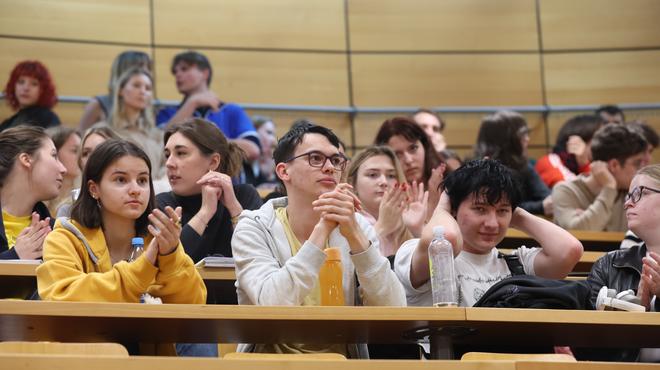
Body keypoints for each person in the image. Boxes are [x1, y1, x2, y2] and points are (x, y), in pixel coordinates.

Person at [231, 122, 406, 357]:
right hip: (270, 362)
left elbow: (394, 310)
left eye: (336, 161)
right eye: (315, 158)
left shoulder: (357, 227)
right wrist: (322, 228)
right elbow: (272, 303)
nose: (329, 168)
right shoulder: (253, 227)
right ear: (284, 171)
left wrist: (356, 237)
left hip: (342, 363)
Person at [36, 139, 207, 355]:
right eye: (121, 180)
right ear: (94, 189)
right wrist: (140, 270)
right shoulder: (64, 237)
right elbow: (61, 298)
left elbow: (193, 306)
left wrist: (171, 256)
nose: (135, 190)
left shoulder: (158, 240)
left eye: (143, 180)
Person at [395, 159, 583, 307]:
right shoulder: (415, 251)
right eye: (480, 209)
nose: (492, 224)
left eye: (502, 211)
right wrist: (443, 207)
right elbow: (447, 240)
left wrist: (515, 213)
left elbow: (569, 250)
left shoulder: (517, 264)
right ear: (454, 207)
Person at [583, 164, 660, 362]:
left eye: (639, 193)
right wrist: (636, 309)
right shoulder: (609, 265)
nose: (627, 203)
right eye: (628, 195)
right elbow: (589, 346)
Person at [158, 118, 262, 262]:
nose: (169, 163)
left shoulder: (244, 195)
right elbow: (172, 262)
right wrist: (205, 212)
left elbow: (261, 256)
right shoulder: (163, 204)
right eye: (167, 155)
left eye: (181, 153)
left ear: (213, 162)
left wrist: (234, 209)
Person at [156, 51, 260, 161]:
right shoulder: (167, 113)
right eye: (175, 71)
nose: (177, 74)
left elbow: (252, 150)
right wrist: (193, 102)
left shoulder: (231, 111)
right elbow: (159, 146)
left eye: (184, 69)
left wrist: (206, 141)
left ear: (205, 73)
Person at [552, 124, 647, 231]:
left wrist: (589, 218)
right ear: (614, 165)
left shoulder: (634, 194)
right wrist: (609, 188)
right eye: (637, 163)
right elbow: (580, 234)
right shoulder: (566, 190)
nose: (642, 169)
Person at [346, 146, 427, 259]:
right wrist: (381, 228)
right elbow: (350, 272)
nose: (384, 182)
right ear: (352, 183)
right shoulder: (345, 222)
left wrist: (417, 230)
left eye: (391, 176)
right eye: (373, 175)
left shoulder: (407, 220)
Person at [0, 126, 65, 260]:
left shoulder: (57, 230)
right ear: (26, 159)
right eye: (54, 156)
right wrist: (14, 257)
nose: (63, 169)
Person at [97, 67, 167, 189]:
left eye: (148, 88)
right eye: (136, 85)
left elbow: (166, 168)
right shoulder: (102, 131)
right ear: (120, 90)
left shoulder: (158, 135)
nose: (143, 91)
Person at [474, 110, 552, 216]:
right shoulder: (478, 169)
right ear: (506, 139)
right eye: (522, 135)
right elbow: (497, 206)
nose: (527, 139)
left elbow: (546, 196)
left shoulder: (523, 165)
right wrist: (540, 207)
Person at [374, 117, 445, 220]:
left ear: (425, 146)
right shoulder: (382, 195)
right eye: (397, 154)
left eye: (413, 148)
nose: (408, 160)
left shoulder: (450, 184)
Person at [78, 51, 152, 131]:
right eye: (142, 67)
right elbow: (80, 137)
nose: (147, 73)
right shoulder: (98, 104)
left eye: (148, 68)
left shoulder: (144, 104)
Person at [535, 115, 604, 188]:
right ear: (576, 142)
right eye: (599, 138)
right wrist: (584, 164)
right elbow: (570, 193)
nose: (605, 144)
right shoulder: (549, 161)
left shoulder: (599, 163)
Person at [1, 60, 60, 132]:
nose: (26, 88)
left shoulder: (48, 119)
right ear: (13, 86)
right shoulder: (8, 123)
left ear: (43, 90)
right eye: (21, 82)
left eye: (34, 84)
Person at [45, 127, 81, 215]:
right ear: (54, 153)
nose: (81, 157)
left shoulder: (84, 196)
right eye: (75, 151)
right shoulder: (39, 201)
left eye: (83, 152)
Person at [243, 115, 278, 188]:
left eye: (273, 135)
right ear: (254, 132)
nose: (273, 140)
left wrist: (271, 176)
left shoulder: (274, 162)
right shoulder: (241, 162)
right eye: (269, 133)